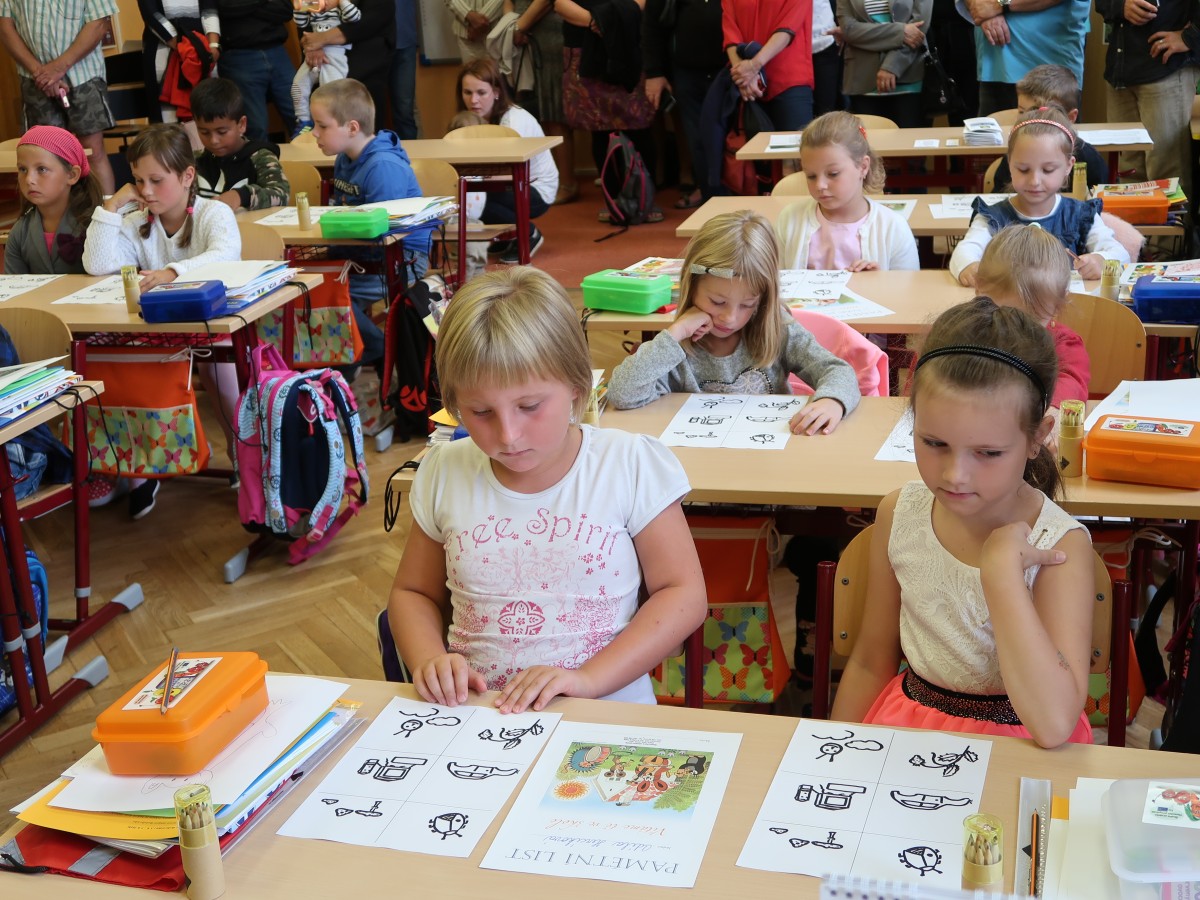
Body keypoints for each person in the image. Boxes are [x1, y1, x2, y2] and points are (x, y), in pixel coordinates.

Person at [386, 266, 707, 712]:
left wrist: (588, 679)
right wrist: (430, 660)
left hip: (607, 709)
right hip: (479, 716)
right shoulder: (445, 470)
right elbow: (413, 593)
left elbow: (683, 594)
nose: (508, 435)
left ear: (577, 385)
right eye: (480, 412)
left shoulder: (628, 464)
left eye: (530, 406)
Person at [831, 297, 1095, 748]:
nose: (955, 475)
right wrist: (832, 750)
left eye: (988, 453)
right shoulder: (900, 513)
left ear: (1037, 437)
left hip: (1022, 745)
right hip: (908, 731)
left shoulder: (1059, 545)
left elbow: (1053, 725)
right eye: (934, 443)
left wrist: (1003, 574)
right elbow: (871, 661)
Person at [81, 124, 242, 519]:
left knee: (220, 375)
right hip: (155, 331)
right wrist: (111, 206)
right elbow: (97, 264)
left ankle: (242, 455)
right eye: (138, 180)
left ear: (187, 176)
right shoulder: (136, 220)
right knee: (119, 366)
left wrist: (172, 272)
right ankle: (141, 471)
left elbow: (226, 256)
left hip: (209, 325)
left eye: (156, 180)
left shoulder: (213, 213)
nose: (146, 190)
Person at [608, 210, 861, 435]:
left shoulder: (779, 331)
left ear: (763, 299)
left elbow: (838, 371)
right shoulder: (673, 347)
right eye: (717, 302)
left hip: (769, 455)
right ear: (691, 287)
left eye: (747, 305)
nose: (729, 317)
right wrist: (676, 333)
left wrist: (833, 401)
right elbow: (622, 394)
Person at [310, 78, 431, 375]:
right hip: (361, 254)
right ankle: (352, 361)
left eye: (322, 126)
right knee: (303, 284)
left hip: (400, 259)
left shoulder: (382, 167)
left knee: (325, 293)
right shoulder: (344, 158)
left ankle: (378, 349)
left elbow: (383, 235)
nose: (314, 132)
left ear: (352, 128)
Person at [950, 109, 1130, 287]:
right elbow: (965, 251)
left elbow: (1120, 253)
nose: (1035, 181)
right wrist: (969, 266)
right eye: (1023, 170)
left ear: (1068, 166)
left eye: (1048, 170)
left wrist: (1100, 259)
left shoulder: (1081, 215)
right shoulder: (992, 217)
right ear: (1010, 164)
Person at [975, 225, 1089, 438]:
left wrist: (1053, 410)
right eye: (1003, 314)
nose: (1016, 329)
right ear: (978, 289)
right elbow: (929, 374)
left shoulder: (1063, 342)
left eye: (1032, 321)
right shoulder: (965, 332)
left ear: (1057, 306)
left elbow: (1071, 381)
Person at [777, 111, 920, 270]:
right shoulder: (789, 220)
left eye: (833, 174)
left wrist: (878, 280)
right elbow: (774, 281)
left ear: (863, 167)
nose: (820, 185)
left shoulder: (893, 228)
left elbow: (908, 285)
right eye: (811, 176)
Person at [0, 0, 117, 194]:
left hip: (83, 75)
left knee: (92, 152)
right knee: (42, 156)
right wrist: (42, 74)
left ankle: (106, 212)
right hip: (33, 77)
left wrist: (57, 68)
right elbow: (5, 26)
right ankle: (55, 213)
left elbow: (99, 23)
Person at [1096, 0, 1200, 206]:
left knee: (1167, 177)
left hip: (1166, 69)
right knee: (1128, 173)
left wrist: (1190, 37)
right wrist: (1120, 6)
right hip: (1121, 71)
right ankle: (1133, 229)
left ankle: (1170, 230)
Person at [456, 57, 557, 262]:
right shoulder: (474, 119)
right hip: (509, 183)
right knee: (468, 191)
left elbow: (507, 174)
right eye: (467, 92)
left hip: (535, 190)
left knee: (472, 196)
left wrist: (469, 182)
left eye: (481, 93)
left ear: (496, 92)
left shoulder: (513, 121)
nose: (473, 100)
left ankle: (527, 233)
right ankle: (507, 235)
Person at [955, 0, 1086, 116]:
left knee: (1050, 133)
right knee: (990, 134)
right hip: (994, 60)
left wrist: (999, 4)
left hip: (1047, 64)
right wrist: (981, 7)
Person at [990, 65, 1108, 192]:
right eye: (1022, 112)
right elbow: (998, 197)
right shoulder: (1017, 153)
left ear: (1071, 117)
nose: (1029, 120)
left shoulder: (1090, 159)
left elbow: (1101, 199)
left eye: (1048, 170)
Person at [5, 125, 101, 275]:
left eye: (42, 169)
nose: (29, 179)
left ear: (72, 175)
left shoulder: (96, 224)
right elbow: (13, 285)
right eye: (23, 169)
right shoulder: (20, 232)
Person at [507, 0, 578, 203]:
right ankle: (548, 181)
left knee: (554, 112)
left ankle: (567, 183)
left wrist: (520, 27)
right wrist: (511, 25)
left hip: (551, 36)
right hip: (526, 38)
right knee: (539, 113)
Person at [191, 77, 290, 211]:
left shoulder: (260, 157)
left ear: (242, 124)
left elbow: (282, 194)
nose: (213, 140)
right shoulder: (194, 161)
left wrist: (241, 196)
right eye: (204, 132)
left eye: (222, 132)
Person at [832, 0, 931, 129]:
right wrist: (901, 31)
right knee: (868, 140)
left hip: (908, 77)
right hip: (863, 78)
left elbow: (919, 28)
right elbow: (849, 30)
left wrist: (892, 66)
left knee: (909, 138)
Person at [722, 0, 814, 131]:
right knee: (753, 144)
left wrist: (753, 66)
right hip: (750, 85)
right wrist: (741, 74)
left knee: (794, 143)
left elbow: (789, 26)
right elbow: (730, 31)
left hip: (788, 80)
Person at [214, 0, 297, 141]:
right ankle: (262, 156)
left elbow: (286, 10)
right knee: (255, 127)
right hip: (239, 56)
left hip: (277, 51)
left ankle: (311, 155)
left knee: (302, 118)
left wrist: (247, 8)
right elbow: (227, 7)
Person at [301, 0, 395, 120]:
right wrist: (312, 43)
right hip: (321, 60)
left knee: (361, 119)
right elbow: (305, 7)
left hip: (365, 62)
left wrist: (322, 39)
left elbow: (375, 17)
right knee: (325, 116)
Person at [136, 0, 220, 128]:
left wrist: (213, 45)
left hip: (202, 51)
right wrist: (184, 46)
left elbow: (210, 9)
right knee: (167, 123)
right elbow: (151, 14)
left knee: (207, 112)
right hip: (164, 50)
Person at [291, 0, 362, 138]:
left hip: (333, 57)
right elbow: (300, 23)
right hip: (312, 54)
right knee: (297, 86)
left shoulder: (340, 7)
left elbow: (355, 18)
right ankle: (303, 121)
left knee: (330, 93)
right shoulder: (314, 6)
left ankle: (334, 125)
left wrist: (340, 2)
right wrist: (301, 6)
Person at [390, 0, 419, 139]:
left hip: (405, 40)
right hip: (371, 43)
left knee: (405, 110)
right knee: (369, 109)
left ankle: (411, 152)